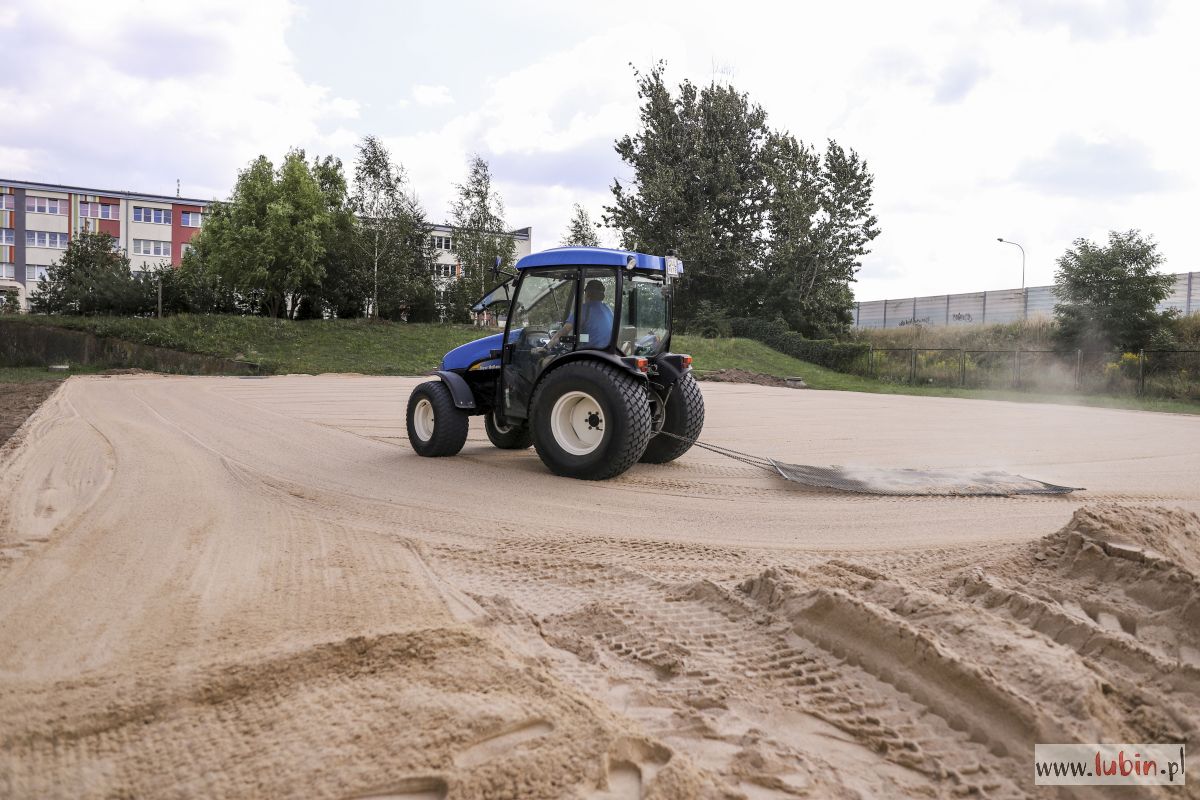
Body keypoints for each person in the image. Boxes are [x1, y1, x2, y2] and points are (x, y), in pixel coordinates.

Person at [547, 279, 613, 350]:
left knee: (546, 360)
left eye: (585, 292)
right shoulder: (608, 309)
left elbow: (565, 330)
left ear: (588, 293)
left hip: (590, 354)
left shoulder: (584, 309)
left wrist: (547, 346)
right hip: (605, 353)